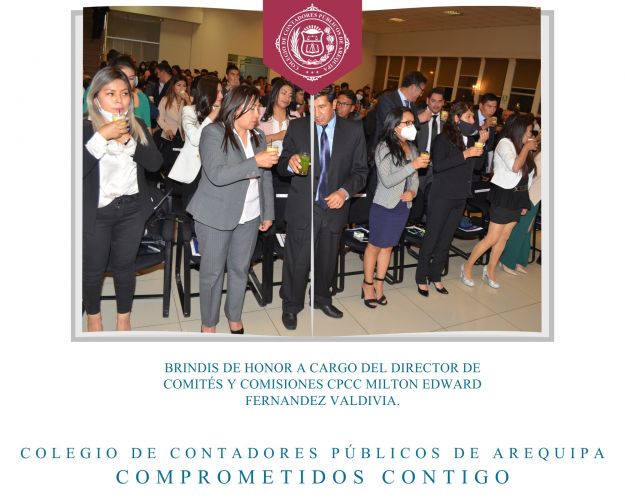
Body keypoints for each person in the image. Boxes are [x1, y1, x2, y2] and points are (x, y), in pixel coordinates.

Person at [186, 85, 276, 334]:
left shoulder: (258, 136)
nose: (258, 113)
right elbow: (217, 174)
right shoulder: (214, 133)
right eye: (253, 108)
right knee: (212, 273)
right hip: (215, 213)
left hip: (250, 213)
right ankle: (209, 323)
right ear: (237, 108)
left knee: (240, 268)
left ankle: (234, 315)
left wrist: (267, 212)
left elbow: (265, 177)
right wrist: (254, 162)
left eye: (258, 108)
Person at [277, 86, 368, 330]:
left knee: (327, 260)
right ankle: (291, 305)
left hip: (334, 207)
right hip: (303, 207)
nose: (316, 114)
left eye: (322, 107)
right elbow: (282, 165)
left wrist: (344, 192)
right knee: (297, 260)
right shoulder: (298, 127)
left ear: (334, 104)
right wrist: (290, 163)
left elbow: (361, 171)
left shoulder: (353, 130)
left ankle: (321, 299)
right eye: (312, 108)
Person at [83, 66, 163, 331]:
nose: (119, 99)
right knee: (93, 268)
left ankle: (123, 317)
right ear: (96, 97)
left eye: (124, 93)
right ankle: (94, 317)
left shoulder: (136, 125)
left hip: (131, 209)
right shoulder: (84, 126)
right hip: (97, 211)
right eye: (110, 93)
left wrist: (129, 142)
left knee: (125, 266)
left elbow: (155, 164)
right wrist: (101, 137)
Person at [415, 101, 487, 296]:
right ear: (456, 118)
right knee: (432, 237)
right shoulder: (443, 139)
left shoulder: (470, 140)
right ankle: (421, 277)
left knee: (446, 239)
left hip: (460, 196)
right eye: (468, 117)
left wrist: (481, 143)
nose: (472, 121)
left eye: (472, 117)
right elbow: (438, 166)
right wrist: (465, 154)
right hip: (442, 195)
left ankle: (436, 276)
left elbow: (478, 166)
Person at [461, 113, 538, 288]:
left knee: (504, 237)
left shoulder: (523, 147)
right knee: (492, 238)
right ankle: (467, 266)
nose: (530, 135)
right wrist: (527, 148)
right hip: (503, 194)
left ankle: (490, 269)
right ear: (519, 130)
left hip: (518, 196)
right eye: (528, 131)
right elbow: (515, 167)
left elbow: (528, 175)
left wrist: (524, 200)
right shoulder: (505, 144)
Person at [362, 107, 428, 307]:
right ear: (394, 126)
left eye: (412, 123)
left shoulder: (412, 147)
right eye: (407, 123)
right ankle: (367, 284)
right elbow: (387, 180)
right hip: (384, 204)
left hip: (402, 205)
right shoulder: (383, 147)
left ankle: (379, 284)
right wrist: (412, 165)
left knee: (388, 246)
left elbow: (414, 179)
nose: (412, 126)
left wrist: (413, 192)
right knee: (375, 245)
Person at [168, 76, 223, 208]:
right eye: (218, 91)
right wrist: (211, 116)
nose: (221, 95)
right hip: (195, 170)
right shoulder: (189, 111)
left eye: (222, 92)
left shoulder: (224, 113)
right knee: (192, 210)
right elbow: (195, 139)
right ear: (208, 92)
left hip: (216, 168)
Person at [157, 74, 192, 173]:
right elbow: (159, 118)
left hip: (184, 136)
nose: (181, 88)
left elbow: (193, 118)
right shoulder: (165, 100)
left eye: (184, 86)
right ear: (173, 86)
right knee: (169, 163)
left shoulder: (190, 100)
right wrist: (166, 128)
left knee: (181, 165)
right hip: (169, 135)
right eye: (178, 85)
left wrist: (188, 101)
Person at [257, 79, 299, 155]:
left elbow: (301, 141)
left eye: (290, 95)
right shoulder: (260, 113)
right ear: (275, 93)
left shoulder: (295, 116)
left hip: (289, 160)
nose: (287, 98)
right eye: (284, 93)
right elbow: (253, 141)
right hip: (266, 160)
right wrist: (276, 136)